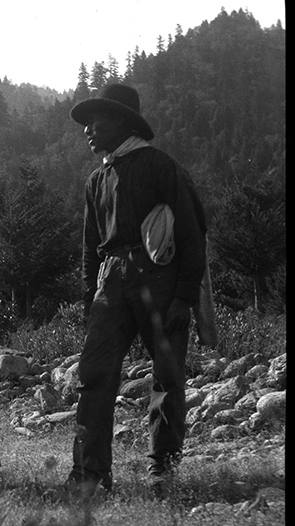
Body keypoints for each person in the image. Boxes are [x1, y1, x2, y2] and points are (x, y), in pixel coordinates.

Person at [67, 84, 207, 495]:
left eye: (96, 121)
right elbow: (91, 245)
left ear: (123, 121)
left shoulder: (160, 167)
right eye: (86, 123)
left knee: (167, 375)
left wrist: (183, 297)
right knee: (94, 374)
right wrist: (89, 298)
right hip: (111, 282)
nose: (88, 130)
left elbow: (191, 233)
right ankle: (90, 473)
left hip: (160, 279)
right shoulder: (97, 180)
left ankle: (163, 467)